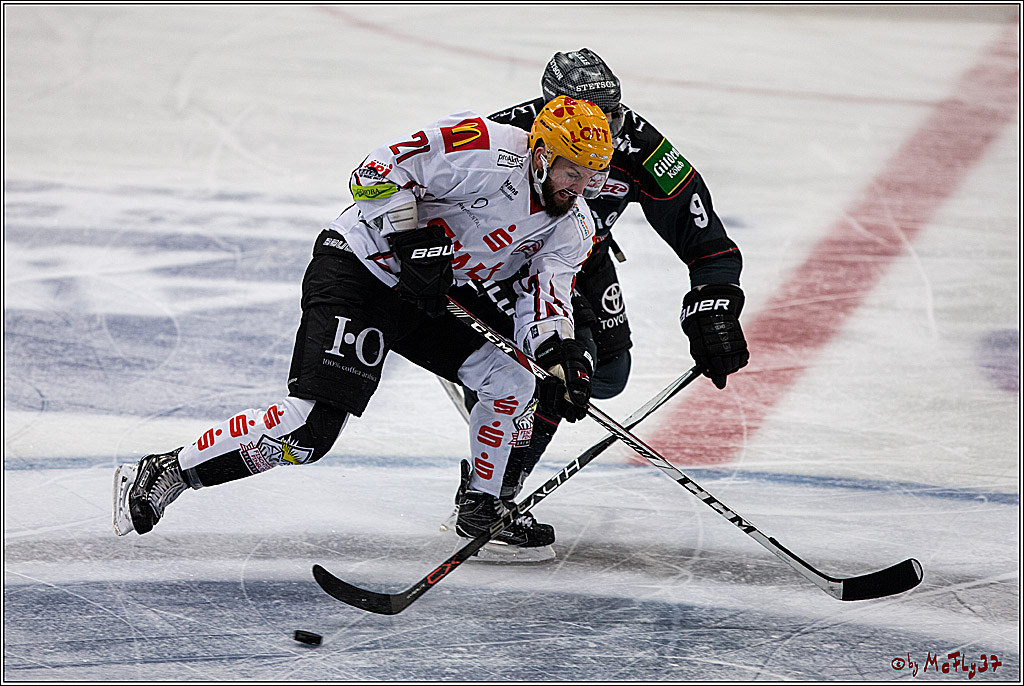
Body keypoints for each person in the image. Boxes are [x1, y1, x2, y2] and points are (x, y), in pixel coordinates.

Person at [113, 94, 615, 552]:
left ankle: (481, 506)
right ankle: (170, 470)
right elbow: (371, 172)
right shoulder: (481, 147)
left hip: (428, 297)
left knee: (513, 378)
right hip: (361, 270)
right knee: (308, 432)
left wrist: (559, 358)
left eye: (591, 177)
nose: (579, 189)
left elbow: (545, 297)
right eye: (572, 172)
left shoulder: (574, 226)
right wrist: (410, 237)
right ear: (543, 153)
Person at [444, 48, 749, 547]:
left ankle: (509, 424)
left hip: (583, 254)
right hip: (513, 261)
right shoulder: (510, 136)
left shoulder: (641, 147)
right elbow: (442, 194)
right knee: (560, 366)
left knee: (607, 375)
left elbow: (709, 244)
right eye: (588, 117)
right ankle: (492, 492)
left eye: (610, 115)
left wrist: (713, 308)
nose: (602, 134)